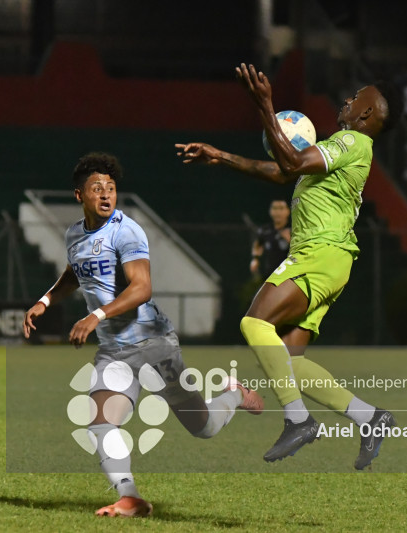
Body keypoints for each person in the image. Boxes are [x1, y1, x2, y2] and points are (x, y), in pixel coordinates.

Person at [175, 63, 403, 468]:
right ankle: (370, 417)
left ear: (367, 113)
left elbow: (293, 163)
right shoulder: (341, 153)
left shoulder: (351, 141)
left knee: (253, 324)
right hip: (333, 261)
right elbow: (282, 172)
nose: (347, 101)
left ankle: (298, 420)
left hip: (318, 254)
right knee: (289, 363)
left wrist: (264, 105)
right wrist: (221, 156)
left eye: (356, 98)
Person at [22, 152, 263, 517]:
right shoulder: (74, 234)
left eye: (111, 188)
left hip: (154, 345)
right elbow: (77, 271)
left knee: (204, 427)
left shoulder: (126, 230)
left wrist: (95, 316)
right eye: (96, 188)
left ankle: (233, 394)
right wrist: (46, 299)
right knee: (100, 423)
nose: (105, 195)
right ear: (79, 196)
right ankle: (130, 497)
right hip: (114, 351)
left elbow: (142, 288)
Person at [250, 199, 291, 281]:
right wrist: (255, 259)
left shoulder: (294, 229)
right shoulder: (265, 230)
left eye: (281, 208)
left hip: (289, 275)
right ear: (270, 211)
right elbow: (258, 244)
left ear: (288, 211)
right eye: (275, 208)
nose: (277, 212)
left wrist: (290, 240)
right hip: (270, 275)